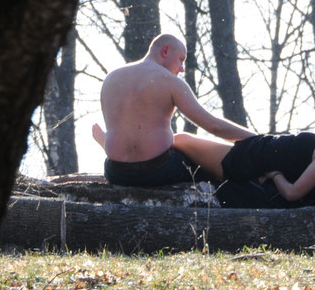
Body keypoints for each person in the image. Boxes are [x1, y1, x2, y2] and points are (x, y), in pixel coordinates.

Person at [95, 33, 254, 187]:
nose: (182, 69)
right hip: (158, 170)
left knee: (181, 142)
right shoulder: (169, 81)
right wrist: (255, 139)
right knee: (207, 167)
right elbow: (213, 126)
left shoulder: (110, 79)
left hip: (116, 173)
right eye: (181, 60)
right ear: (165, 51)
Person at [173, 131, 315, 208]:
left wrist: (275, 174)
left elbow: (291, 193)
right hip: (251, 150)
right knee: (182, 144)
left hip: (246, 160)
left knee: (181, 140)